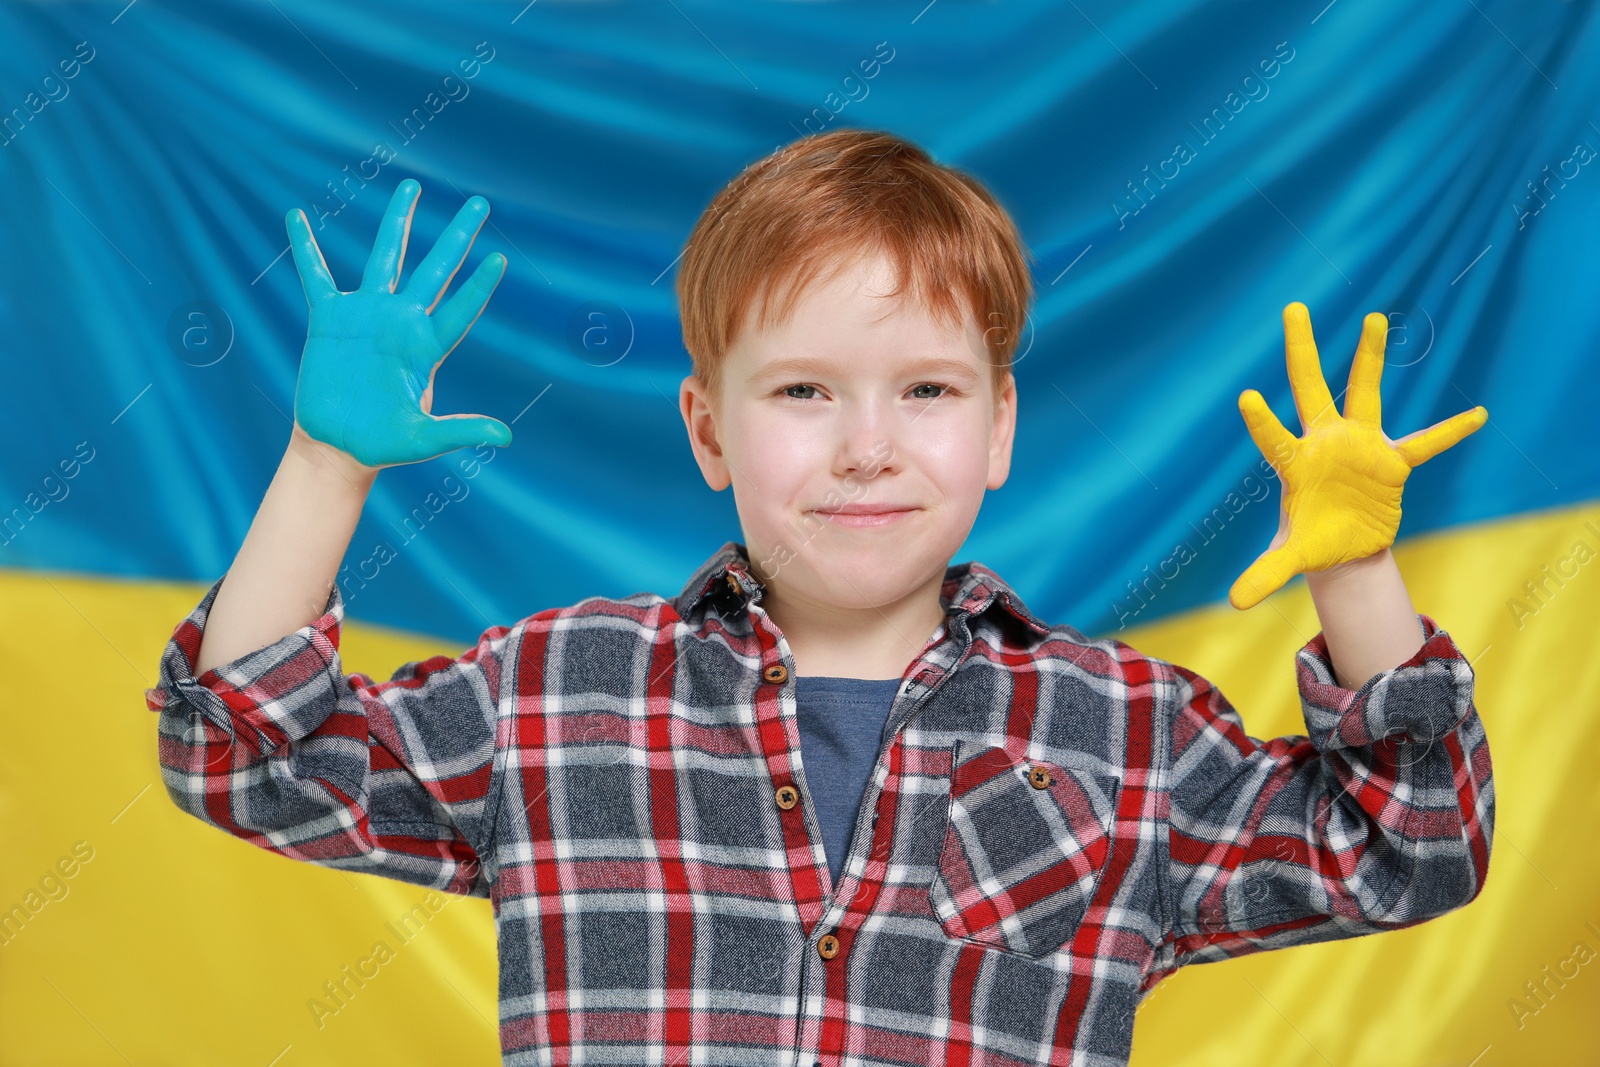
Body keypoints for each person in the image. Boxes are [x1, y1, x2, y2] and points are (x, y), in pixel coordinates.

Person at [144, 128, 1494, 1066]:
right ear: (708, 429)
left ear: (1000, 425)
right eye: (802, 391)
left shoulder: (1128, 732)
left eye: (926, 389)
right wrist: (326, 467)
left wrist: (1356, 574)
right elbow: (238, 760)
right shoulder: (551, 697)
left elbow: (1412, 849)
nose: (866, 445)